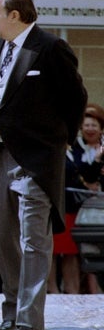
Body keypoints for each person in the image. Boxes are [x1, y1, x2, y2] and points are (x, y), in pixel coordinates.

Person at [0, 0, 87, 330]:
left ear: (14, 15)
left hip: (38, 162)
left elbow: (76, 99)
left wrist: (58, 142)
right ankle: (11, 311)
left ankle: (29, 320)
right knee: (3, 239)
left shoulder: (51, 48)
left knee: (33, 241)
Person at [49, 106, 104, 295]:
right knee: (53, 252)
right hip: (55, 207)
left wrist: (96, 162)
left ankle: (72, 290)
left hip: (73, 206)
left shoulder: (76, 149)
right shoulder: (52, 148)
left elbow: (87, 175)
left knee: (70, 252)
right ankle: (53, 290)